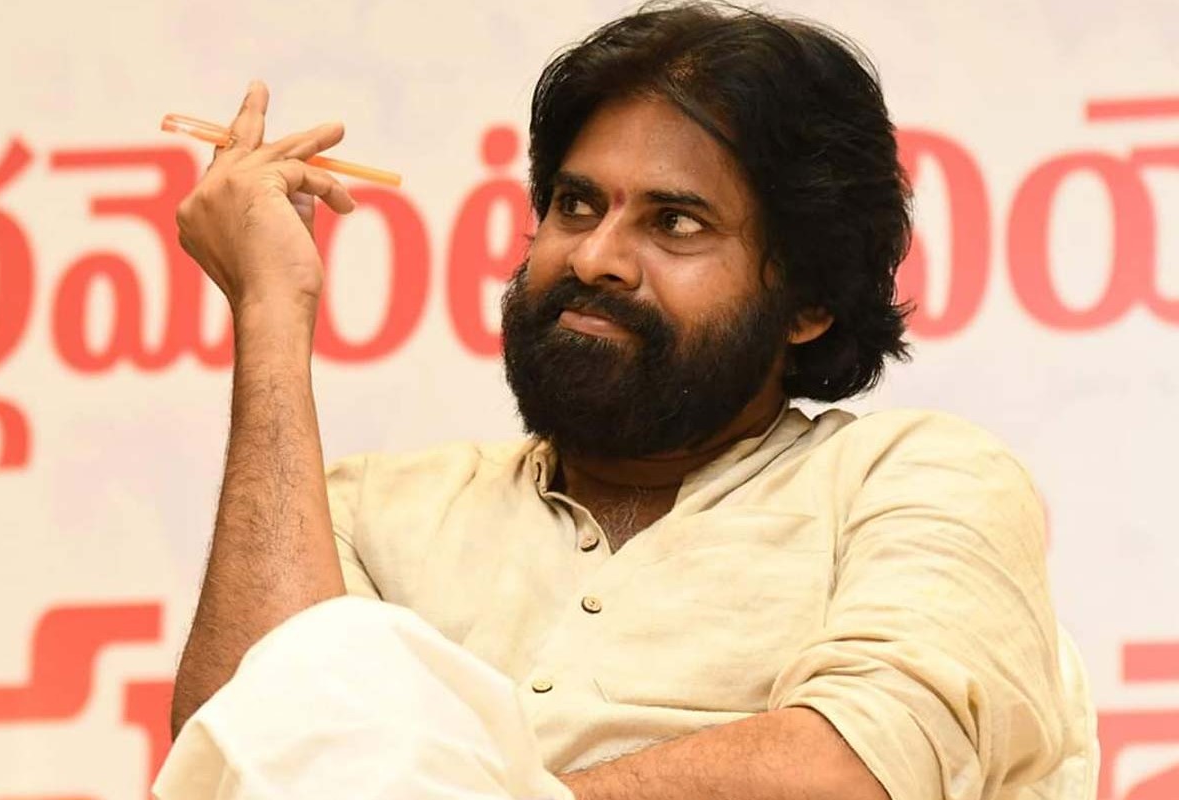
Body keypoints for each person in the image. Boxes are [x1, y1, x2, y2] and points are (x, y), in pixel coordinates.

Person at [162, 3, 1085, 799]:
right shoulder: (373, 512)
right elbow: (245, 754)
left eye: (674, 222)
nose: (596, 257)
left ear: (808, 301)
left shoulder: (917, 479)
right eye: (574, 205)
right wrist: (271, 311)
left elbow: (854, 771)